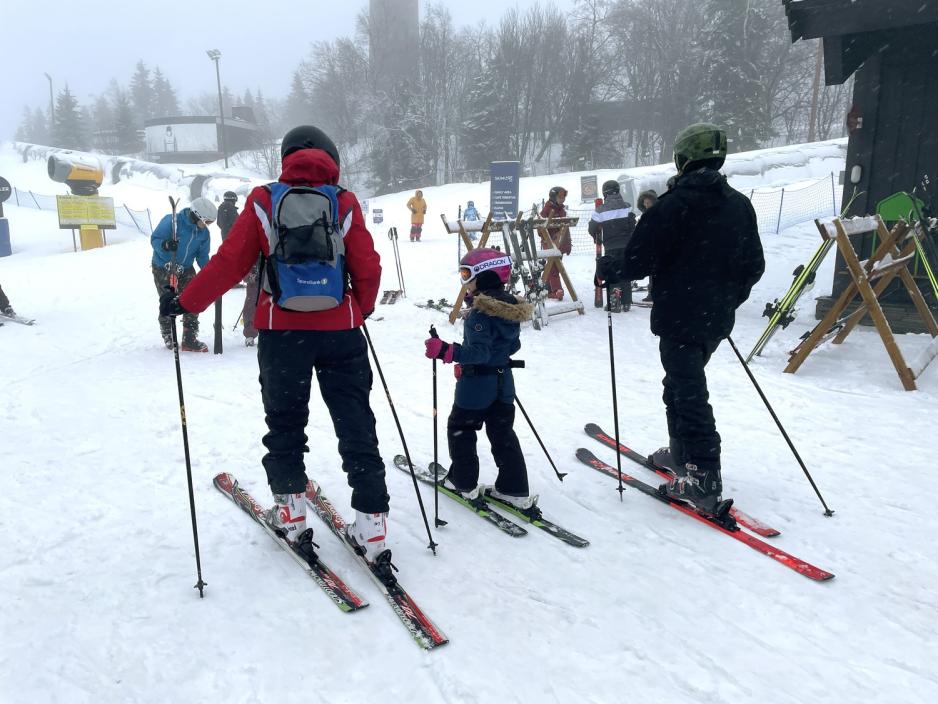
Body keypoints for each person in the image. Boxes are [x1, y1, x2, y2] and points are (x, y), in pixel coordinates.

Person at [159, 125, 390, 566]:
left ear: (286, 158)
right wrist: (357, 309)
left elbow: (230, 261)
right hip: (341, 333)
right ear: (331, 157)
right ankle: (373, 527)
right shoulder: (342, 201)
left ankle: (289, 515)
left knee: (285, 425)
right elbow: (368, 264)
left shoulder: (265, 200)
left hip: (282, 334)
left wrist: (185, 302)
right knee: (356, 423)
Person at [601, 123, 764, 516]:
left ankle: (703, 476)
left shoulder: (675, 205)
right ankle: (682, 455)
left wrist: (612, 266)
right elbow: (753, 265)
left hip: (680, 315)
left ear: (683, 159)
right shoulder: (737, 204)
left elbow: (639, 259)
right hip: (712, 317)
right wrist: (726, 298)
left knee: (688, 390)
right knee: (678, 383)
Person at [424, 248, 535, 508]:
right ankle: (513, 488)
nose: (464, 282)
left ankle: (463, 483)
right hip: (503, 384)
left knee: (460, 429)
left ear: (485, 277)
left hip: (476, 387)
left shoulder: (481, 313)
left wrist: (446, 350)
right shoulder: (510, 309)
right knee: (502, 432)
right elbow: (512, 346)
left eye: (467, 275)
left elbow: (479, 352)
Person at [150, 197, 216, 352]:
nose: (206, 226)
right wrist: (165, 245)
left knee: (194, 299)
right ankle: (168, 334)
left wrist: (210, 272)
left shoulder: (203, 233)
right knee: (168, 300)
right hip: (164, 266)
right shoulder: (172, 222)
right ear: (196, 216)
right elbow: (155, 239)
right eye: (206, 221)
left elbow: (202, 256)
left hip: (186, 268)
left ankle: (189, 339)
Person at [588, 180, 637, 312]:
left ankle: (614, 302)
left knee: (611, 272)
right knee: (625, 271)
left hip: (610, 246)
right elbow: (632, 224)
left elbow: (592, 227)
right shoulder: (627, 206)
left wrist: (595, 236)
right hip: (627, 245)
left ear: (605, 193)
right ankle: (626, 302)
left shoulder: (600, 210)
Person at [218, 192, 258, 346]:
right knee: (256, 298)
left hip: (236, 246)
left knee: (252, 299)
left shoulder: (224, 209)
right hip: (251, 260)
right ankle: (252, 332)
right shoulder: (234, 212)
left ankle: (251, 332)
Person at [539, 186, 571, 300]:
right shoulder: (546, 210)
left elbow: (566, 229)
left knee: (552, 266)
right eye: (560, 197)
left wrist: (568, 244)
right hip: (550, 243)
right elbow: (540, 229)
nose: (563, 199)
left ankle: (545, 288)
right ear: (553, 197)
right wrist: (550, 236)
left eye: (564, 197)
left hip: (560, 244)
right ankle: (556, 290)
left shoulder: (562, 210)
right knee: (554, 267)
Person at [636, 189, 659, 303]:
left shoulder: (659, 213)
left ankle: (655, 293)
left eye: (648, 203)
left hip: (658, 246)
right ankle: (651, 293)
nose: (646, 205)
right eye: (644, 203)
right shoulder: (646, 215)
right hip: (650, 247)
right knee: (651, 272)